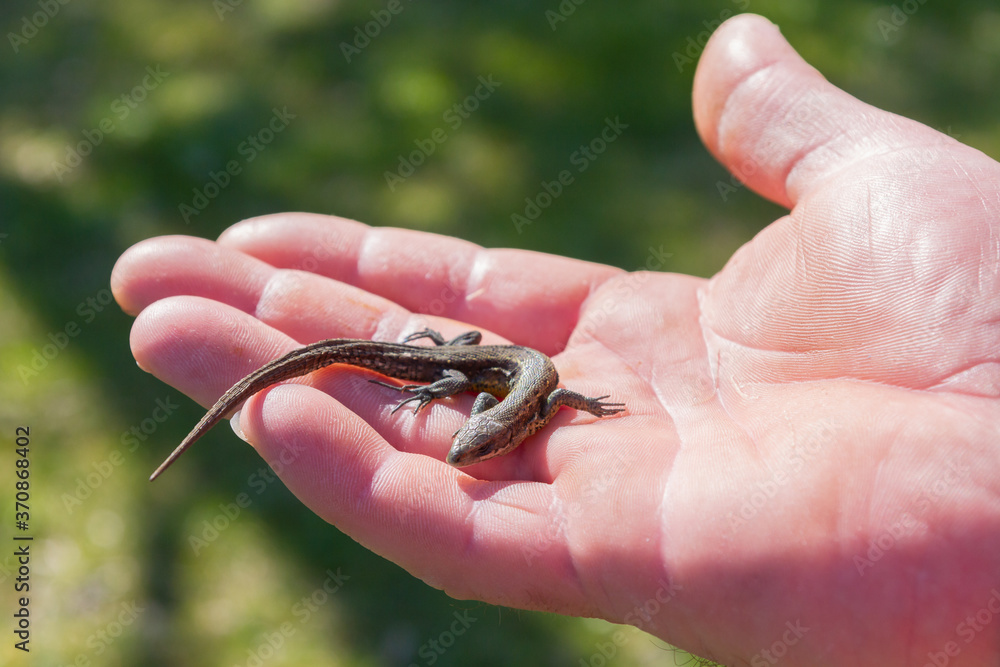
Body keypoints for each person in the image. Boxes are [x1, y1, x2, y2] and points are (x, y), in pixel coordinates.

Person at [111, 14, 1000, 666]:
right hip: (457, 355)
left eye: (480, 441)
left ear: (503, 428)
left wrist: (560, 399)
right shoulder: (523, 401)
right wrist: (439, 384)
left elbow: (558, 395)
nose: (475, 452)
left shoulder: (532, 408)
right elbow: (550, 393)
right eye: (480, 440)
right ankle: (404, 376)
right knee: (407, 367)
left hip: (472, 359)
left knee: (417, 368)